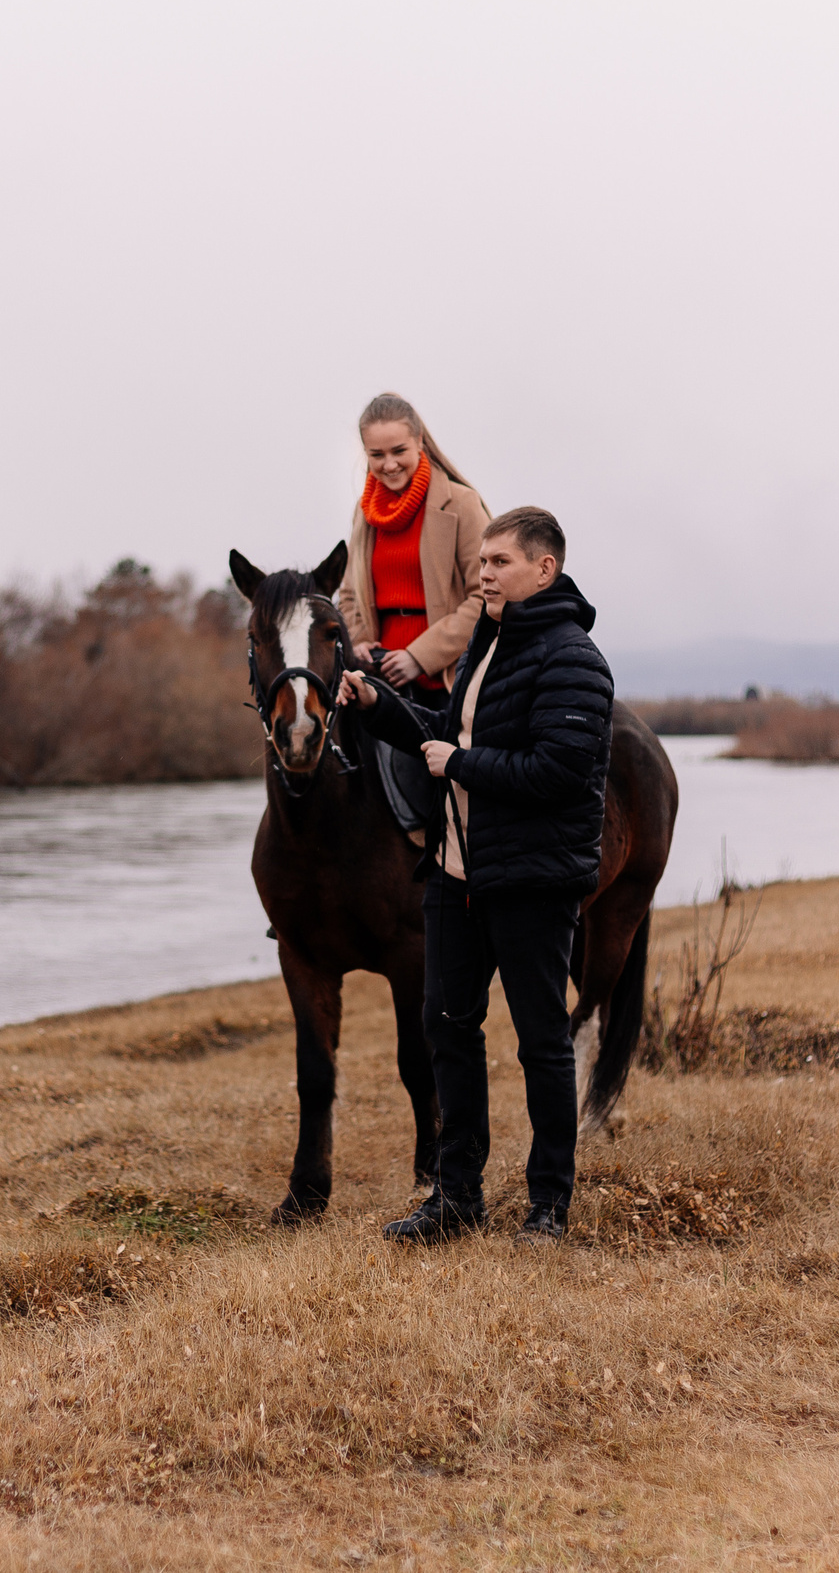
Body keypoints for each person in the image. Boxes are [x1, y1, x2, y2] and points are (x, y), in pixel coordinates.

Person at [337, 506, 613, 1245]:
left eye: (499, 562)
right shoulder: (487, 643)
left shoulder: (574, 659)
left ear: (544, 570)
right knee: (447, 1029)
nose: (483, 574)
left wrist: (460, 763)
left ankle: (548, 1206)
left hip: (531, 881)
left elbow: (557, 771)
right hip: (455, 875)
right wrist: (378, 706)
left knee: (541, 1042)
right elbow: (443, 735)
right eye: (482, 562)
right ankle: (456, 1198)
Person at [333, 394, 491, 692]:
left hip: (448, 680)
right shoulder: (364, 513)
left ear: (419, 441)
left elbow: (487, 597)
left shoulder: (462, 504)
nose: (389, 464)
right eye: (377, 455)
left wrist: (420, 657)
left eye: (399, 451)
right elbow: (350, 594)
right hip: (379, 682)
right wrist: (360, 641)